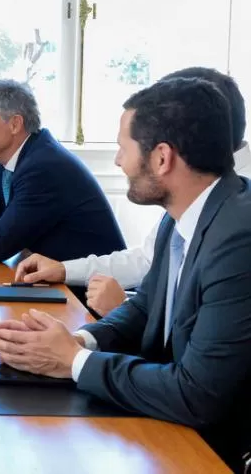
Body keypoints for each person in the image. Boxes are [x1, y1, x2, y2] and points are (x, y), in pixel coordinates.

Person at [0, 78, 251, 470]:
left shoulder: (237, 238)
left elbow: (197, 396)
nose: (118, 161)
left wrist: (72, 362)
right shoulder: (183, 217)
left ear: (162, 158)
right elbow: (146, 305)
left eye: (124, 148)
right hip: (168, 423)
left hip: (211, 449)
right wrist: (81, 340)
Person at [15, 67, 251, 316]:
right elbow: (148, 260)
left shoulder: (234, 221)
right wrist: (64, 269)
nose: (119, 161)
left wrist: (121, 309)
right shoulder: (192, 189)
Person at [0, 79, 125, 263]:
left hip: (87, 288)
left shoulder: (42, 169)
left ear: (15, 124)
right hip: (54, 282)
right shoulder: (17, 158)